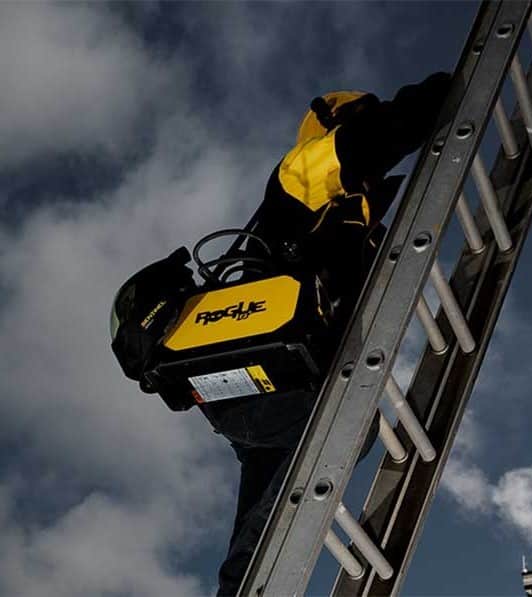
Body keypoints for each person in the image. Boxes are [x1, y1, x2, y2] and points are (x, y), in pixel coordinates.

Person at [110, 71, 451, 596]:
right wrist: (446, 90)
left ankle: (241, 589)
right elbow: (381, 135)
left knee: (262, 509)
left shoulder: (348, 208)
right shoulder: (303, 172)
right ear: (335, 125)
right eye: (356, 119)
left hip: (262, 388)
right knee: (343, 425)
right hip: (264, 376)